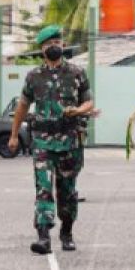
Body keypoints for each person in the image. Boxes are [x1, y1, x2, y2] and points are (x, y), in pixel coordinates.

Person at [8, 25, 93, 255]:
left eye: (57, 42)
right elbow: (23, 106)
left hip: (69, 141)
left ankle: (67, 231)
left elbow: (89, 102)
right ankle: (43, 236)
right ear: (42, 49)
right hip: (43, 142)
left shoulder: (77, 73)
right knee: (43, 188)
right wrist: (14, 135)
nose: (53, 46)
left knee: (67, 192)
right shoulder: (33, 76)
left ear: (63, 45)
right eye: (48, 44)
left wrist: (77, 110)